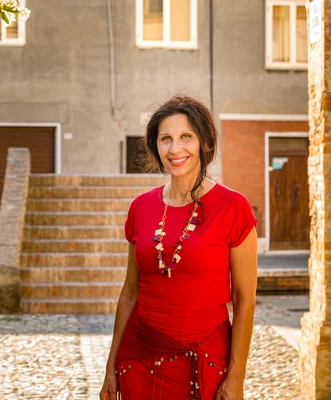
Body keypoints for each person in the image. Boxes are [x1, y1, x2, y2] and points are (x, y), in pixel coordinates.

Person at [100, 95, 258, 400]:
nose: (175, 149)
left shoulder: (233, 207)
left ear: (204, 142)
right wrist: (110, 367)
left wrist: (236, 377)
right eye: (165, 139)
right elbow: (130, 292)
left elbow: (245, 299)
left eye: (186, 137)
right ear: (155, 147)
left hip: (205, 362)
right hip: (138, 358)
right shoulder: (140, 208)